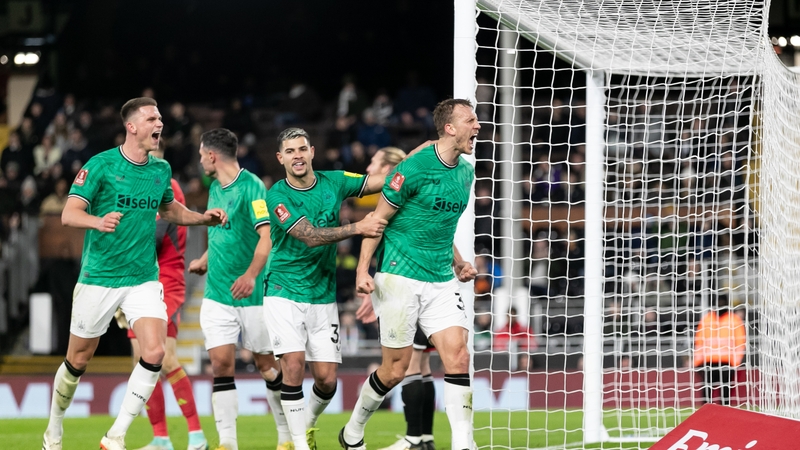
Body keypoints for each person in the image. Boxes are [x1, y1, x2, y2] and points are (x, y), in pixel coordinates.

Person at [41, 97, 227, 450]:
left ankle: (116, 436)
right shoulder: (101, 165)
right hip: (99, 278)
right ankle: (54, 428)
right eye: (152, 118)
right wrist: (97, 220)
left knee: (154, 352)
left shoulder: (161, 171)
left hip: (143, 278)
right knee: (77, 360)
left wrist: (202, 218)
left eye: (160, 118)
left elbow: (170, 211)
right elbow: (69, 213)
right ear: (132, 126)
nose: (159, 124)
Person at [340, 99, 480, 450]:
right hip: (400, 278)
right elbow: (377, 222)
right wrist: (362, 271)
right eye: (470, 120)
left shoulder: (466, 172)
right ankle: (353, 430)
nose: (477, 126)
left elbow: (439, 227)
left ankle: (463, 444)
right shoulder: (413, 168)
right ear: (449, 127)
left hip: (440, 280)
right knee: (395, 370)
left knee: (459, 356)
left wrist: (459, 262)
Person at [264, 127, 389, 450]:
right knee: (292, 365)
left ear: (313, 152)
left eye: (302, 149)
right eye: (290, 151)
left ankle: (305, 427)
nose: (297, 156)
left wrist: (422, 157)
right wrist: (357, 227)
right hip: (283, 289)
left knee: (327, 380)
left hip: (322, 292)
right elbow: (308, 234)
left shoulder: (334, 180)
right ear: (281, 158)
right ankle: (297, 445)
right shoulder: (277, 195)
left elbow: (378, 182)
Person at [187, 128, 289, 450]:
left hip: (253, 293)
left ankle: (286, 436)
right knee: (221, 364)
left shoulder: (253, 188)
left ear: (212, 155)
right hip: (218, 293)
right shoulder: (216, 187)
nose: (200, 160)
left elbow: (266, 236)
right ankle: (227, 442)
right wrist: (205, 258)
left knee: (266, 365)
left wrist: (249, 275)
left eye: (202, 154)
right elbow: (225, 232)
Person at [115, 145, 207, 450]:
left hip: (164, 279)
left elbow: (153, 236)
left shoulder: (164, 183)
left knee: (164, 358)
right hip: (139, 280)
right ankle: (161, 438)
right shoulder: (146, 182)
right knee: (140, 360)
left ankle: (196, 435)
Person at [693, 293, 746, 406]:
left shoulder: (734, 320)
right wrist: (697, 362)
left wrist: (735, 363)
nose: (720, 304)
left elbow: (740, 343)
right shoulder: (707, 319)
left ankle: (723, 415)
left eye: (722, 302)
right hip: (709, 362)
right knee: (707, 392)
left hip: (726, 362)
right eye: (718, 302)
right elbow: (699, 342)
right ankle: (706, 415)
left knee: (725, 393)